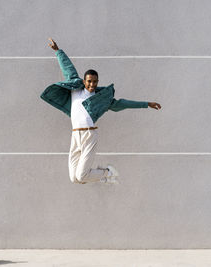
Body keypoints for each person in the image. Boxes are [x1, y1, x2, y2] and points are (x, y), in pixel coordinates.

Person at [41, 38, 162, 185]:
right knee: (74, 178)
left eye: (95, 81)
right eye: (89, 81)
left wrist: (146, 104)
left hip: (89, 135)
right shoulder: (76, 89)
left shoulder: (101, 99)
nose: (92, 84)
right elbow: (68, 68)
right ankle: (103, 176)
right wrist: (58, 51)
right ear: (84, 81)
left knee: (82, 176)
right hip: (75, 135)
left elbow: (121, 103)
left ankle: (108, 172)